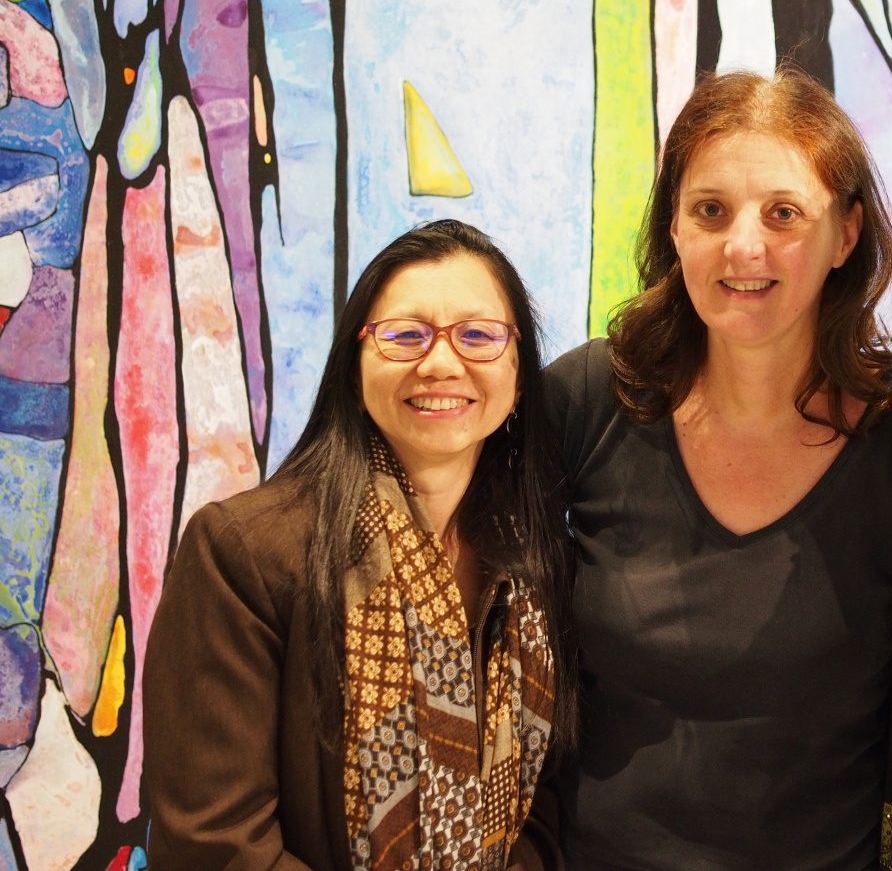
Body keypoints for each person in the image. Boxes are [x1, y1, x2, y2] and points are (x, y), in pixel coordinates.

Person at [545, 68, 892, 869]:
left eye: (783, 213)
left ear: (846, 234)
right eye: (710, 210)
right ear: (674, 227)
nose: (743, 246)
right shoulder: (588, 400)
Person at [144, 220, 575, 871]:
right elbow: (213, 840)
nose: (440, 362)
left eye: (478, 336)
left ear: (518, 379)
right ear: (354, 368)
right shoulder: (242, 552)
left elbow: (544, 803)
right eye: (405, 335)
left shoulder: (536, 564)